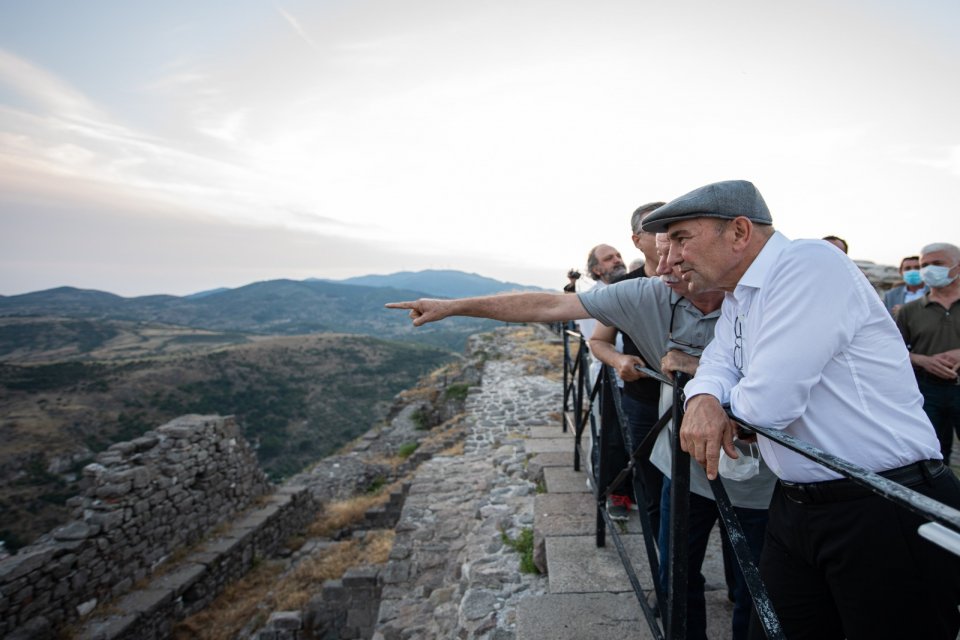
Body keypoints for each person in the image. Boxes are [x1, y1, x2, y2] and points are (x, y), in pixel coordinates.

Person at [641, 179, 960, 639]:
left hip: (885, 504)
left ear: (739, 231)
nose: (669, 260)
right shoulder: (741, 295)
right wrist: (706, 397)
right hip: (798, 503)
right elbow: (715, 361)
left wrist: (718, 403)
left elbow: (770, 401)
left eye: (681, 239)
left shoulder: (809, 264)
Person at [589, 232, 773, 640]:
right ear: (643, 242)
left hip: (756, 475)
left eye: (680, 245)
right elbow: (584, 328)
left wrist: (693, 364)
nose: (671, 261)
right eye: (665, 250)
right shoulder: (640, 291)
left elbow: (774, 375)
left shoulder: (758, 300)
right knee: (675, 566)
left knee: (753, 581)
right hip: (678, 452)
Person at [594, 202, 665, 523]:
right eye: (658, 228)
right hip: (645, 403)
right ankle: (666, 570)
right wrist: (618, 358)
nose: (667, 235)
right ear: (637, 240)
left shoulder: (703, 281)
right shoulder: (622, 289)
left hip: (700, 404)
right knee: (651, 489)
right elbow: (598, 341)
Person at [895, 242, 960, 464]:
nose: (929, 270)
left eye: (938, 264)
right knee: (932, 454)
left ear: (957, 267)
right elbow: (893, 351)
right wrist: (921, 359)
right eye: (925, 265)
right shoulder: (909, 311)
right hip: (927, 390)